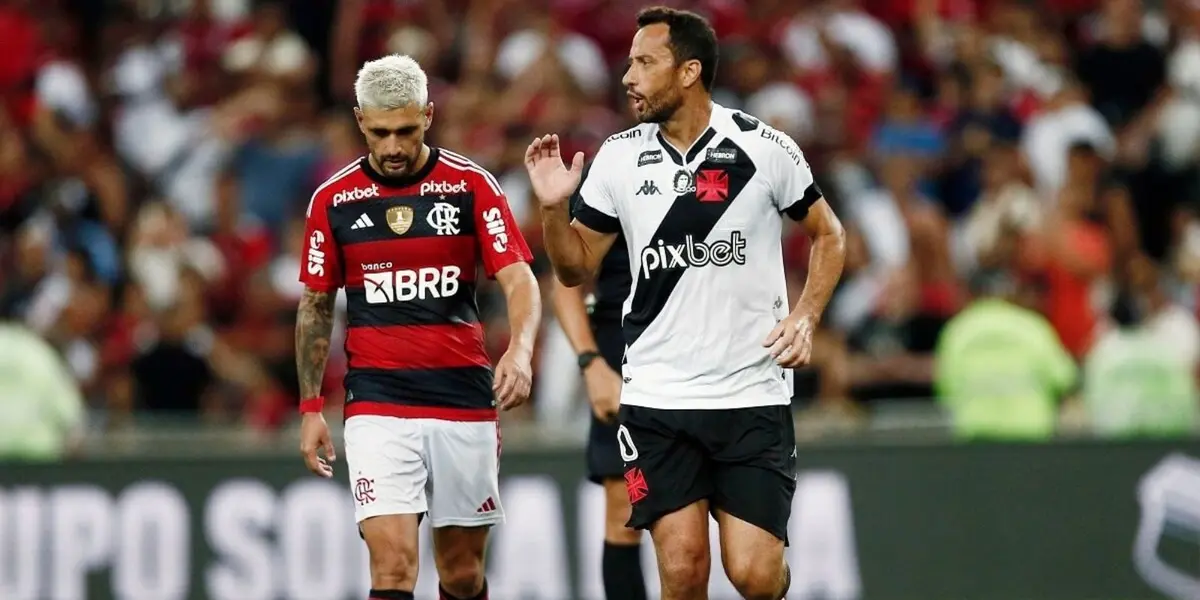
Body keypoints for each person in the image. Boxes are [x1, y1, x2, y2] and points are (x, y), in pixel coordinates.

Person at [526, 7, 846, 600]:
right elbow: (572, 268)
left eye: (645, 63)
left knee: (753, 574)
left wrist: (806, 315)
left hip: (750, 391)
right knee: (681, 570)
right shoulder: (618, 157)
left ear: (689, 71)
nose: (628, 77)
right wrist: (552, 208)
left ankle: (775, 574)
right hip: (657, 397)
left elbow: (830, 234)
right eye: (628, 63)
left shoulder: (763, 147)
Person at [295, 54, 540, 600]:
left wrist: (520, 351)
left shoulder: (471, 186)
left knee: (460, 573)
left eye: (406, 130)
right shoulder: (332, 201)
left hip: (463, 399)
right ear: (361, 121)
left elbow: (520, 279)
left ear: (429, 115)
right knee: (394, 566)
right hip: (378, 402)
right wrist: (312, 407)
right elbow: (315, 305)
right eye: (380, 132)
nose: (393, 146)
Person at [550, 162, 648, 600]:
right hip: (621, 357)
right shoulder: (616, 170)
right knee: (625, 510)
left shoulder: (723, 164)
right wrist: (592, 364)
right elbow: (566, 282)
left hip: (699, 359)